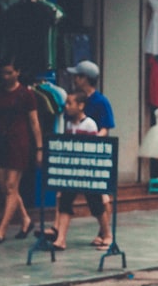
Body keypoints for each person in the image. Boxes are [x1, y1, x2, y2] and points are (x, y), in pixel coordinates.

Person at [0, 57, 41, 244]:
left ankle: (1, 230)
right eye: (3, 73)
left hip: (19, 142)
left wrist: (39, 148)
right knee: (5, 187)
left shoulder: (26, 94)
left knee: (12, 186)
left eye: (9, 72)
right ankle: (26, 220)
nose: (5, 76)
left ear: (17, 72)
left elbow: (34, 122)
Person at [47, 91, 104, 250]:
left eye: (69, 103)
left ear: (80, 106)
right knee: (65, 202)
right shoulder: (69, 125)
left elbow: (91, 148)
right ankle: (61, 239)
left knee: (96, 204)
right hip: (72, 173)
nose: (66, 107)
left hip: (86, 172)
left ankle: (106, 234)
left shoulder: (89, 125)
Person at [67, 59, 115, 247]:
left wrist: (91, 138)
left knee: (100, 197)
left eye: (78, 76)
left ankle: (104, 232)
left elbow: (106, 128)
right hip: (78, 156)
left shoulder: (100, 101)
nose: (75, 80)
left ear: (85, 79)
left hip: (96, 155)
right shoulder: (73, 101)